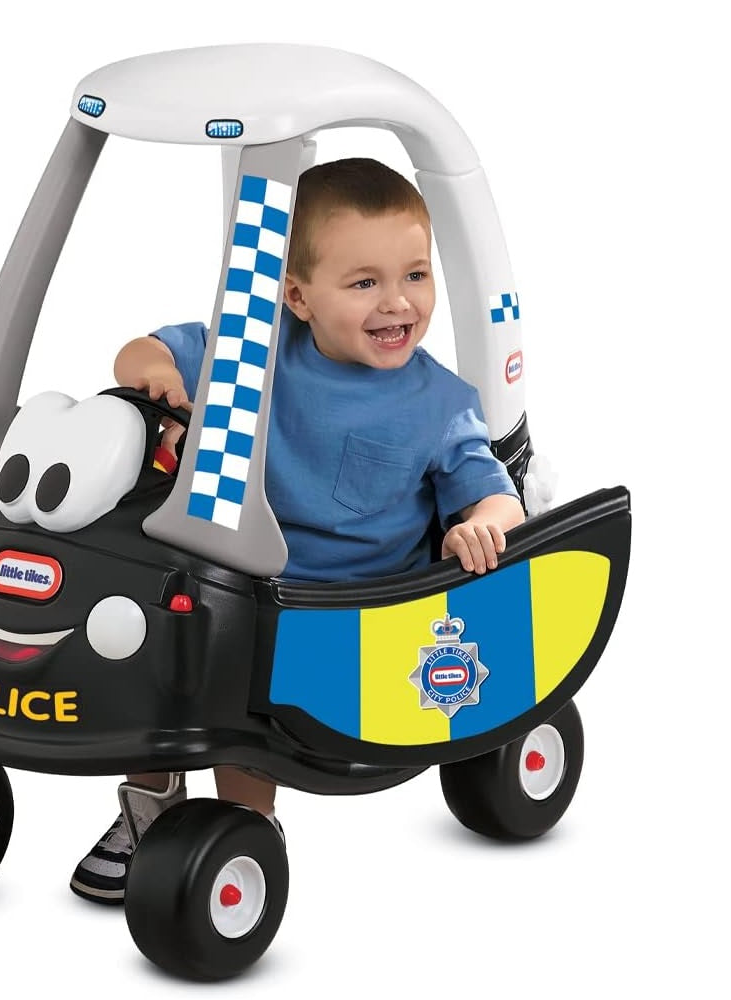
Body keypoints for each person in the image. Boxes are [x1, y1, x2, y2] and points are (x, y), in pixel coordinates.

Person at [69, 157, 525, 904]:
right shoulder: (256, 350)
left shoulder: (441, 402)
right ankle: (149, 805)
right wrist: (158, 378)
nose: (398, 302)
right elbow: (145, 350)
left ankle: (245, 826)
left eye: (415, 275)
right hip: (233, 576)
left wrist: (481, 526)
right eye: (364, 282)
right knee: (152, 635)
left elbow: (497, 495)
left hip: (348, 614)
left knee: (238, 684)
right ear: (297, 297)